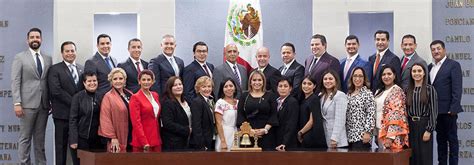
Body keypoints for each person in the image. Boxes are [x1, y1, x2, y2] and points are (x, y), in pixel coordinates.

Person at [12, 27, 52, 165]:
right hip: (26, 105)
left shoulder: (47, 58)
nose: (35, 39)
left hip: (44, 105)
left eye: (37, 37)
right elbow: (15, 81)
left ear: (41, 39)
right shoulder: (20, 57)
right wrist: (17, 103)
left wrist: (50, 101)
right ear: (27, 40)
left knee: (40, 140)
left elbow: (48, 82)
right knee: (25, 139)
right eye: (32, 37)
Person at [47, 41, 83, 165]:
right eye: (67, 51)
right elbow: (56, 91)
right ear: (62, 53)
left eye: (72, 50)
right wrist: (75, 104)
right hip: (62, 116)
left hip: (78, 118)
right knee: (61, 148)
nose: (70, 53)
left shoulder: (81, 68)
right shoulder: (54, 69)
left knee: (78, 149)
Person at [428, 40, 462, 165]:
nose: (436, 51)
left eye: (438, 48)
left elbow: (457, 88)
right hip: (435, 112)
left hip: (448, 111)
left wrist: (454, 108)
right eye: (433, 49)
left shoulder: (453, 65)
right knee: (440, 141)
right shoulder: (429, 67)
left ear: (444, 50)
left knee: (452, 141)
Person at [237, 70, 279, 150]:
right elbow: (241, 115)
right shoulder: (244, 96)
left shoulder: (271, 96)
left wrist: (265, 130)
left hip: (267, 135)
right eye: (254, 80)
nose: (257, 82)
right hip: (247, 135)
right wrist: (249, 130)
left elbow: (273, 115)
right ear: (250, 82)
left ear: (263, 82)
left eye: (259, 80)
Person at [69, 71, 104, 165]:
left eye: (94, 81)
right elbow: (73, 120)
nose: (92, 83)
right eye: (89, 81)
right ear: (84, 83)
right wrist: (73, 140)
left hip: (98, 140)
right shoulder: (77, 97)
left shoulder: (101, 96)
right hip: (82, 139)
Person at [406, 63, 438, 165]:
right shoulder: (407, 90)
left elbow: (434, 111)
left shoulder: (430, 89)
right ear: (411, 74)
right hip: (411, 126)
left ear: (424, 73)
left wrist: (429, 130)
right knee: (412, 157)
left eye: (419, 71)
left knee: (425, 157)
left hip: (424, 125)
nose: (417, 73)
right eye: (414, 71)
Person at [98, 68, 133, 152]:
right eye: (115, 79)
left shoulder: (130, 94)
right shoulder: (108, 97)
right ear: (111, 81)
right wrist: (113, 137)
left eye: (121, 78)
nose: (118, 81)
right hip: (118, 136)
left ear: (125, 80)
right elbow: (105, 119)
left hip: (132, 134)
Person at [374, 65, 409, 149]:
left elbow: (396, 115)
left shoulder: (397, 91)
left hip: (392, 135)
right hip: (379, 132)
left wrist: (390, 137)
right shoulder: (378, 91)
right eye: (383, 74)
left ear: (394, 76)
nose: (386, 77)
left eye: (389, 74)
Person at [129, 70, 162, 152]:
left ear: (153, 81)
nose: (146, 82)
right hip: (142, 141)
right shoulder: (135, 97)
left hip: (156, 138)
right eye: (143, 80)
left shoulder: (155, 95)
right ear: (139, 81)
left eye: (148, 80)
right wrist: (144, 142)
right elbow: (136, 123)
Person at [346, 67, 375, 149]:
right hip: (349, 136)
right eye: (355, 76)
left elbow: (371, 114)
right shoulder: (348, 94)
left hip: (361, 137)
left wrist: (367, 132)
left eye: (360, 76)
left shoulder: (367, 93)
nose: (357, 78)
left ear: (364, 78)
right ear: (351, 78)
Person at [318, 70, 348, 148]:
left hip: (337, 141)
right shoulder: (321, 96)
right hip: (325, 137)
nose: (328, 81)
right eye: (325, 79)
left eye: (330, 79)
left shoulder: (340, 95)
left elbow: (340, 120)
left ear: (336, 81)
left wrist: (335, 138)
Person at [160, 76, 192, 151]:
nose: (178, 87)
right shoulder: (167, 103)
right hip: (174, 143)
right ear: (170, 88)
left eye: (180, 84)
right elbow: (168, 124)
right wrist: (187, 130)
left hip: (187, 141)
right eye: (175, 85)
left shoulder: (187, 101)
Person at [84, 34, 118, 101]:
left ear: (111, 44)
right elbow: (90, 85)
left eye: (107, 43)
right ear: (97, 45)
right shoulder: (91, 62)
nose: (105, 46)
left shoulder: (114, 60)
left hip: (115, 98)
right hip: (100, 99)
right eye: (102, 44)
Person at [297, 76, 326, 148]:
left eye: (309, 84)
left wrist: (300, 133)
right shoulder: (303, 99)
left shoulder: (314, 99)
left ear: (314, 86)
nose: (306, 86)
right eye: (304, 83)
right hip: (304, 136)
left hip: (311, 137)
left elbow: (312, 121)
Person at [190, 76, 216, 150]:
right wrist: (201, 145)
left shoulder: (211, 100)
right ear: (198, 88)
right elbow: (196, 125)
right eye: (203, 87)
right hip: (203, 143)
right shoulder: (197, 102)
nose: (207, 89)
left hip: (211, 139)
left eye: (209, 86)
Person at [274, 77, 299, 151]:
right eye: (280, 86)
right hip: (276, 140)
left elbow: (291, 124)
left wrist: (285, 142)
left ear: (290, 88)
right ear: (277, 88)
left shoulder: (292, 102)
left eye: (285, 86)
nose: (283, 88)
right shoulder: (276, 101)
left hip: (287, 143)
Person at [214, 78, 239, 151]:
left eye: (231, 86)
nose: (229, 88)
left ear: (235, 88)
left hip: (236, 134)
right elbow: (218, 123)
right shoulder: (220, 103)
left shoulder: (238, 102)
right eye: (226, 86)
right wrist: (223, 141)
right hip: (224, 134)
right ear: (222, 89)